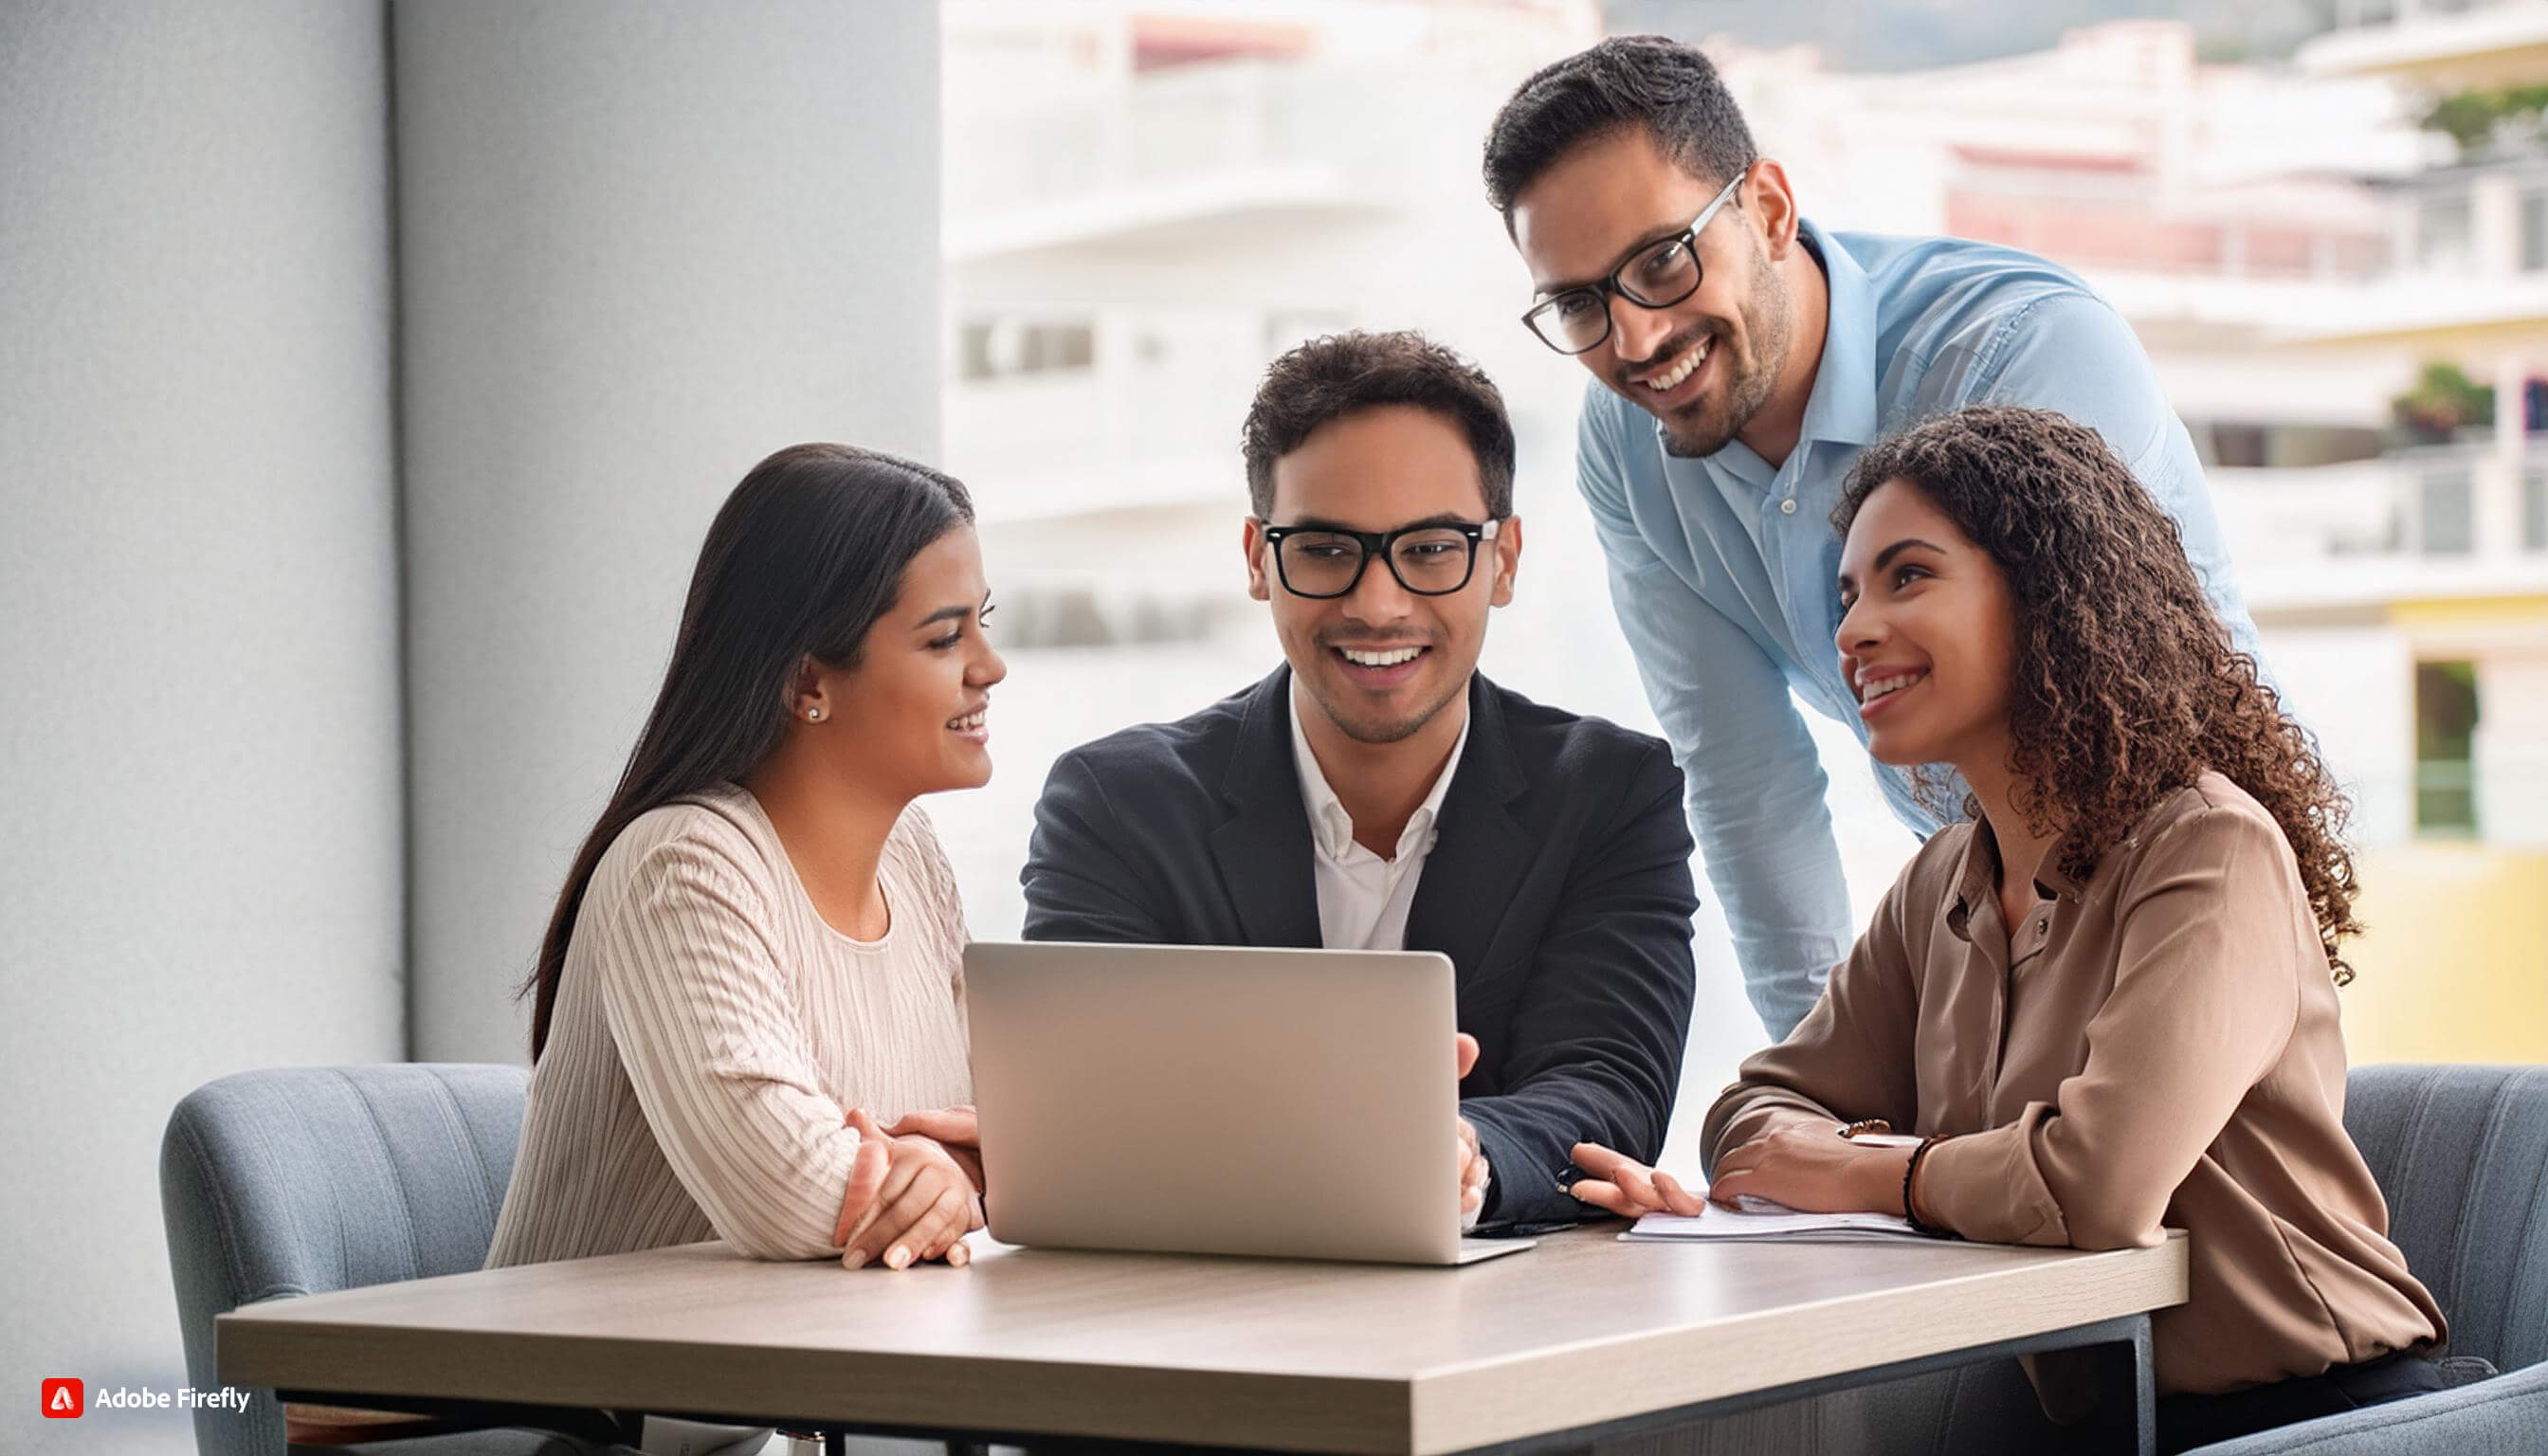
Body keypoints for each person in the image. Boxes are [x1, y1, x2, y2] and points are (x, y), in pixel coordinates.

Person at [1565, 407, 2448, 1454]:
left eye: (1907, 577)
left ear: (2047, 596)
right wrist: (1816, 1154)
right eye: (1847, 594)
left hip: (2321, 1421)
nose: (1849, 632)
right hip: (2090, 1419)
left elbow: (2100, 1188)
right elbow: (1753, 1112)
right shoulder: (1946, 874)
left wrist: (1862, 1171)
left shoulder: (2208, 849)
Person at [1483, 36, 2268, 1038]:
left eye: (1662, 263)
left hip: (2200, 909)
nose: (1634, 339)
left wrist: (1906, 1136)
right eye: (1581, 303)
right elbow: (1748, 788)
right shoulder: (1628, 450)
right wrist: (1824, 1093)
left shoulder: (2020, 353)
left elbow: (2101, 741)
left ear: (1768, 209)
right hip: (1996, 927)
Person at [1020, 330, 1699, 1228]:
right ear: (1260, 559)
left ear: (1504, 560)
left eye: (1428, 548)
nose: (1377, 604)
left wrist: (1463, 1152)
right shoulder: (1115, 808)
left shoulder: (1611, 794)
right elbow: (1082, 1099)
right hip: (1189, 1306)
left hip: (1502, 1319)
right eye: (1327, 548)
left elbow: (1608, 1085)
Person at [487, 443, 1005, 1283]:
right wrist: (970, 1175)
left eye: (987, 624)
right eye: (946, 637)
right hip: (584, 1409)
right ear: (811, 679)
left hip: (788, 1397)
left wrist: (971, 1167)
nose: (991, 667)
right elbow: (793, 1192)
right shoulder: (680, 870)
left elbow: (1015, 1131)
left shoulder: (911, 861)